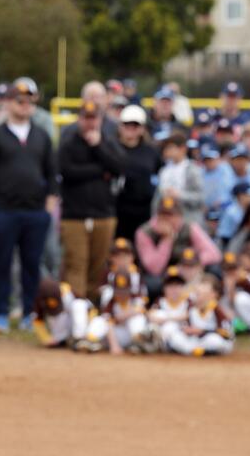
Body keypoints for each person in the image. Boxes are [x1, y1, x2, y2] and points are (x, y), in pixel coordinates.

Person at [0, 76, 56, 333]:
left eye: (28, 100)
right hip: (4, 210)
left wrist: (50, 202)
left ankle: (28, 312)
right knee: (0, 263)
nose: (24, 105)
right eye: (19, 100)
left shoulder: (41, 135)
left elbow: (51, 172)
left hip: (34, 211)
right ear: (9, 103)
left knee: (31, 264)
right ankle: (0, 312)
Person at [58, 98, 125, 303]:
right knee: (76, 263)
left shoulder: (108, 141)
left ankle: (92, 308)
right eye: (86, 118)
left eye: (93, 118)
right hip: (74, 215)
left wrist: (98, 148)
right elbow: (67, 172)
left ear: (100, 119)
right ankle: (76, 309)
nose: (89, 123)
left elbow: (119, 167)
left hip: (103, 214)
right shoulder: (68, 142)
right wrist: (99, 171)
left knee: (98, 265)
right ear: (79, 119)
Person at [134, 195, 221, 297]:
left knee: (215, 270)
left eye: (171, 215)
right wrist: (167, 239)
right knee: (152, 284)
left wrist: (191, 264)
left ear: (180, 216)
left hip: (188, 270)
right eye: (163, 214)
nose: (167, 219)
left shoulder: (189, 227)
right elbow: (154, 269)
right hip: (162, 275)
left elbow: (215, 254)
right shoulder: (144, 232)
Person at [113, 104, 159, 242]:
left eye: (135, 125)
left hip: (144, 211)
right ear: (120, 126)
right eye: (127, 124)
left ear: (143, 128)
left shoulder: (151, 152)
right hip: (117, 209)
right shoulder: (111, 148)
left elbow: (159, 174)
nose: (131, 128)